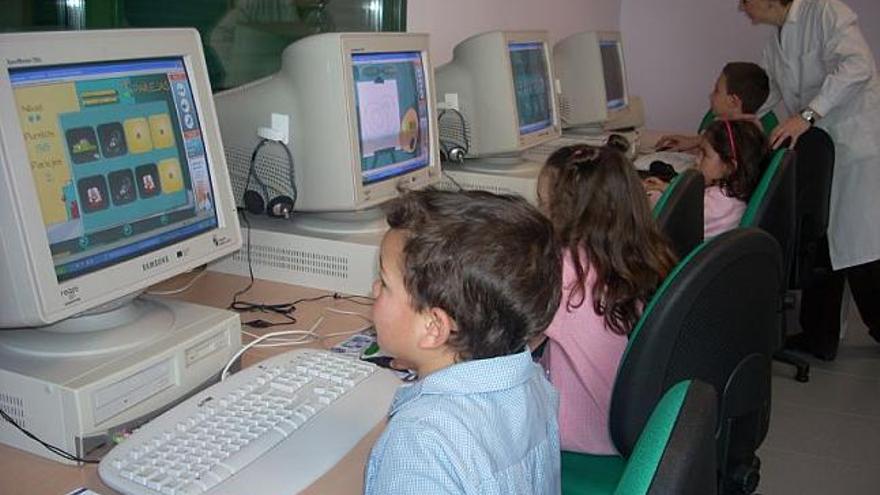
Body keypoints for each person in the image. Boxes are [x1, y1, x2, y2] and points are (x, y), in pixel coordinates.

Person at [364, 188, 563, 494]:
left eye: (385, 283)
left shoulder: (420, 443)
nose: (374, 290)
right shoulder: (533, 381)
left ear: (433, 327)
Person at [741, 0, 880, 360]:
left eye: (745, 0)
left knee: (860, 252)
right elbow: (764, 95)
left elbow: (858, 66)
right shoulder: (777, 40)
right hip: (825, 151)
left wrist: (807, 115)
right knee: (822, 242)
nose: (741, 7)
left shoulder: (826, 12)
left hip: (855, 148)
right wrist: (724, 127)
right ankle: (820, 337)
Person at [533, 144, 677, 454]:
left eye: (545, 206)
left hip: (587, 432)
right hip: (628, 421)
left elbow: (505, 342)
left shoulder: (567, 271)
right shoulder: (636, 253)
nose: (540, 215)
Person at [646, 120, 769, 238]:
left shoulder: (719, 206)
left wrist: (652, 197)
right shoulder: (730, 195)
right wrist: (666, 188)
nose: (697, 160)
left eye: (704, 154)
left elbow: (669, 219)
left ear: (729, 167)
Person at [656, 62, 771, 152]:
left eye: (717, 91)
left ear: (733, 101)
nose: (710, 96)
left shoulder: (731, 140)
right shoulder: (751, 132)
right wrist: (694, 142)